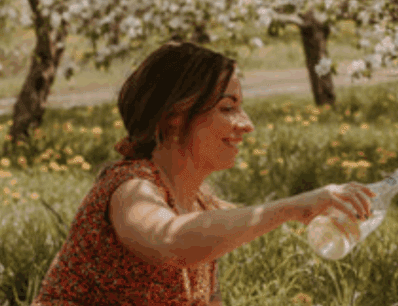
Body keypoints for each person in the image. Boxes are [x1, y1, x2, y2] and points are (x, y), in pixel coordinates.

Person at [31, 41, 375, 306]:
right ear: (174, 117)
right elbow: (171, 241)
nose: (247, 125)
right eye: (228, 108)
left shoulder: (199, 207)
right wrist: (293, 208)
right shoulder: (128, 188)